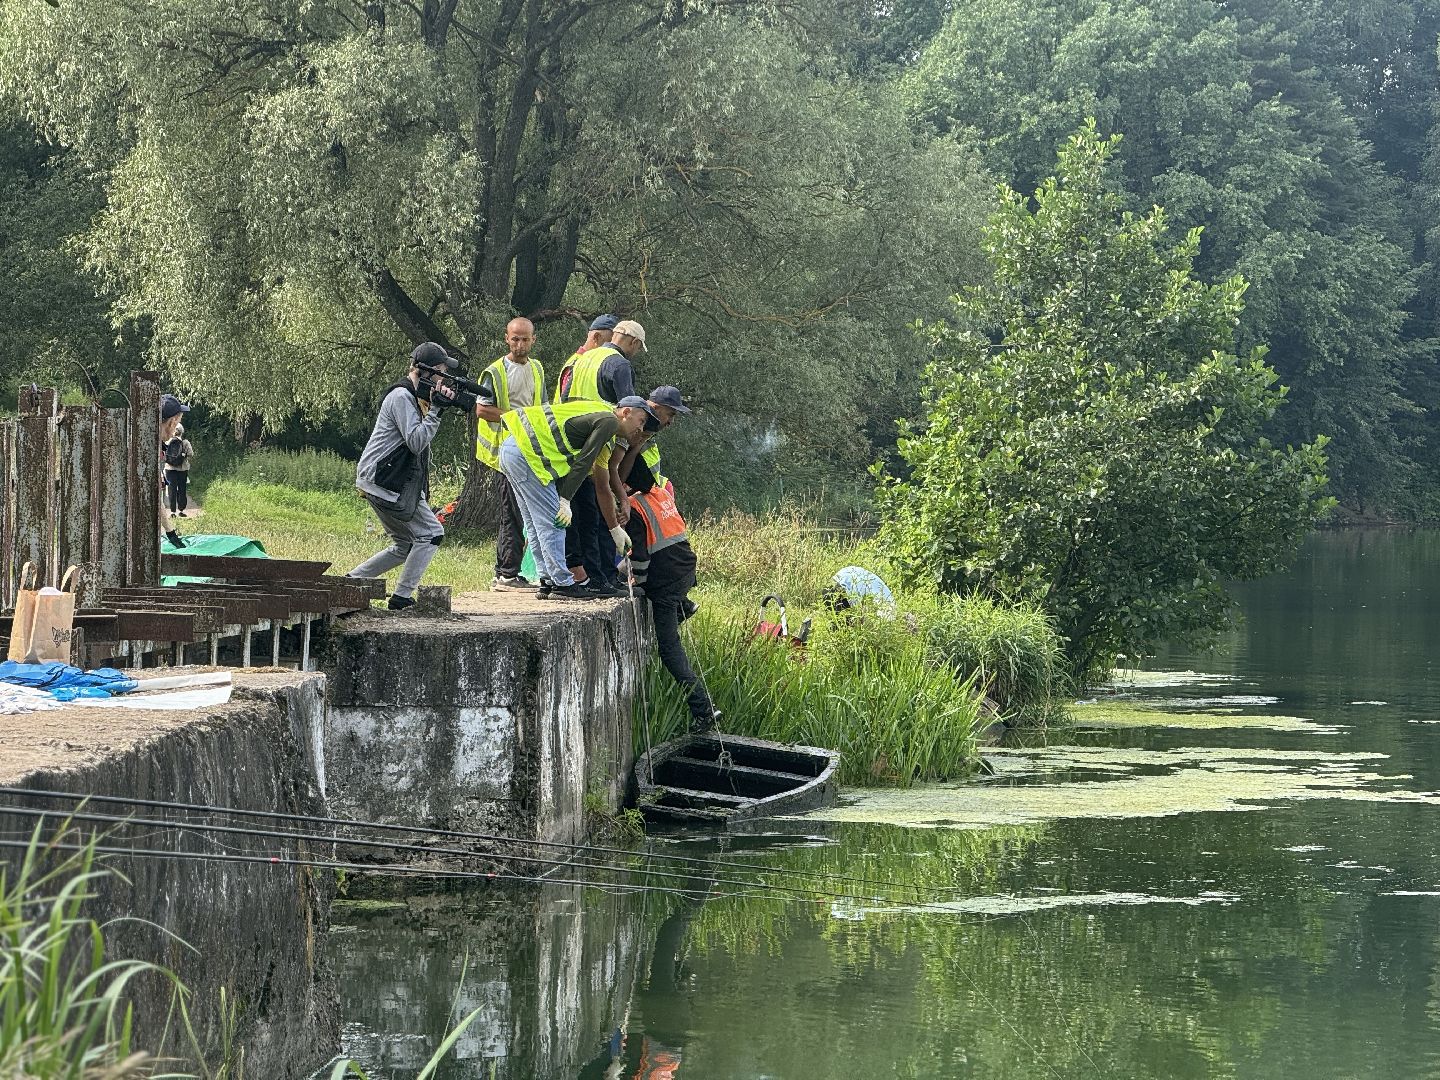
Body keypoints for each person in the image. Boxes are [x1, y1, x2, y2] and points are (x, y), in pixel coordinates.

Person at [496, 396, 655, 600]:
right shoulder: (609, 421)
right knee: (555, 522)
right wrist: (565, 499)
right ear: (626, 413)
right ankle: (562, 583)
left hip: (513, 448)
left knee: (535, 524)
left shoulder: (600, 410)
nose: (640, 429)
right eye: (641, 421)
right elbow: (584, 460)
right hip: (526, 454)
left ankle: (547, 581)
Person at [347, 342, 462, 610]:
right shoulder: (401, 397)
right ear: (427, 371)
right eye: (442, 372)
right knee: (432, 533)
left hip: (381, 480)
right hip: (384, 481)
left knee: (404, 544)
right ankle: (401, 598)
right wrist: (436, 410)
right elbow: (417, 442)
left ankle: (351, 582)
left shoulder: (415, 395)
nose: (444, 378)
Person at [624, 474, 720, 732]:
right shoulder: (660, 494)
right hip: (686, 570)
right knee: (673, 603)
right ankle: (685, 606)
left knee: (669, 651)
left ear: (624, 482)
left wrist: (636, 585)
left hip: (665, 585)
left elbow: (640, 557)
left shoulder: (633, 507)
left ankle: (704, 710)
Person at [559, 319, 647, 593]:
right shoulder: (619, 364)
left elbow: (564, 397)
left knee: (581, 515)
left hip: (573, 439)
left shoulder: (581, 359)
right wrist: (627, 445)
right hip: (600, 438)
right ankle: (604, 579)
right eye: (636, 349)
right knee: (597, 518)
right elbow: (628, 408)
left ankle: (588, 576)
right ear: (632, 342)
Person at [475, 317, 546, 591]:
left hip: (529, 449)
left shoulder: (537, 368)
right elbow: (482, 409)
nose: (520, 344)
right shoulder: (494, 372)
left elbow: (541, 406)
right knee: (511, 512)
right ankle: (506, 573)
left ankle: (513, 570)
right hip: (504, 451)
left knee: (524, 512)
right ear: (506, 339)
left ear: (533, 340)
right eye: (515, 339)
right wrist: (516, 417)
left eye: (525, 339)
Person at [556, 313, 618, 400]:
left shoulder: (591, 362)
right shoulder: (576, 364)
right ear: (596, 337)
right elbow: (565, 402)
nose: (614, 348)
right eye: (610, 342)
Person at [158, 394, 189, 548]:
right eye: (178, 421)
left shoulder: (151, 442)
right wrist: (171, 534)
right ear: (171, 422)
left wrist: (170, 533)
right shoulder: (150, 449)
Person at [162, 422, 195, 517]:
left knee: (171, 489)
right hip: (182, 469)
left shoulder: (167, 442)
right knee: (182, 489)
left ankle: (172, 512)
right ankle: (181, 510)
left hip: (169, 469)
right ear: (182, 432)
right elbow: (191, 454)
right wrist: (183, 456)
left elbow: (163, 454)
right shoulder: (185, 442)